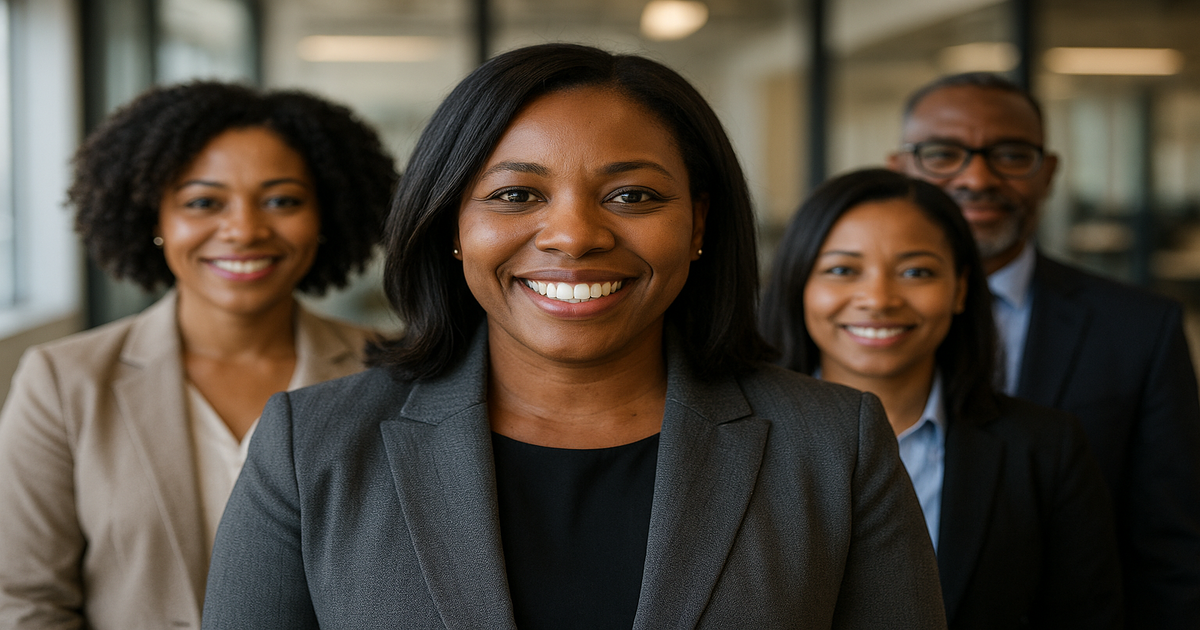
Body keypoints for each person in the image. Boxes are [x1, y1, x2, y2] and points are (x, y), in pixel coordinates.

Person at [201, 43, 947, 629]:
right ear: (452, 225)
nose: (575, 236)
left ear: (699, 225)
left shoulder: (832, 443)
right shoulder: (313, 446)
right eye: (517, 194)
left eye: (632, 195)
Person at [0, 81, 397, 629]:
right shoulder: (63, 383)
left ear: (326, 217)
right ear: (154, 219)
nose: (244, 230)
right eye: (203, 202)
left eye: (282, 200)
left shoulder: (397, 371)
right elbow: (24, 601)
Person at [887, 72, 1200, 629]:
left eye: (1010, 154)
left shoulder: (1138, 328)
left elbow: (1172, 547)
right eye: (943, 153)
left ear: (1048, 172)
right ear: (899, 170)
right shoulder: (836, 324)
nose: (977, 177)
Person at [760, 168, 1123, 628]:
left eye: (916, 271)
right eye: (842, 270)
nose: (878, 298)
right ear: (798, 285)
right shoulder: (728, 439)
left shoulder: (1045, 449)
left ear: (960, 289)